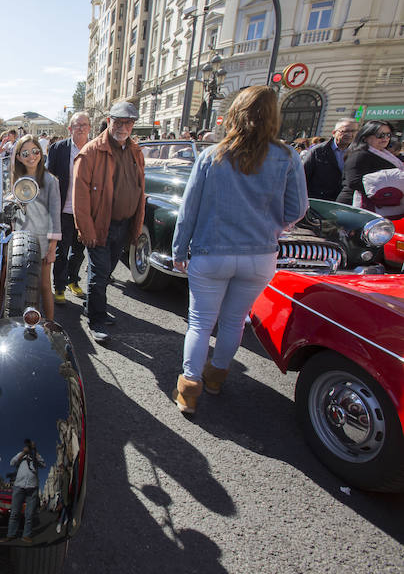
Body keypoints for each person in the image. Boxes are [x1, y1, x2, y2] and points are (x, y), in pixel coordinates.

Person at [171, 86, 308, 414]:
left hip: (211, 252)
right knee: (234, 321)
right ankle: (216, 377)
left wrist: (179, 250)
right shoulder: (288, 157)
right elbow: (298, 208)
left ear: (236, 114)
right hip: (260, 254)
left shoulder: (212, 155)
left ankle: (190, 388)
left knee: (200, 323)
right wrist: (275, 226)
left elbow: (189, 209)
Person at [73, 101, 146, 343]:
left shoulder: (135, 150)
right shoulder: (91, 152)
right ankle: (96, 319)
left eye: (128, 123)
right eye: (118, 121)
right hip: (99, 225)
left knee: (105, 271)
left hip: (123, 225)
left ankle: (93, 306)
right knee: (100, 273)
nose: (122, 127)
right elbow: (80, 198)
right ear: (108, 121)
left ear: (133, 125)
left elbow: (139, 187)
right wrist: (86, 229)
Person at [11, 135, 61, 320]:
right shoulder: (16, 179)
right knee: (22, 284)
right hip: (20, 240)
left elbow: (56, 216)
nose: (31, 156)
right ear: (18, 157)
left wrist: (52, 248)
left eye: (35, 151)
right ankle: (28, 322)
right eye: (25, 153)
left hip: (42, 241)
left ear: (41, 153)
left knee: (44, 285)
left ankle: (49, 324)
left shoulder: (50, 181)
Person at [48, 111, 91, 305]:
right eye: (77, 125)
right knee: (61, 252)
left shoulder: (94, 149)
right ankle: (58, 287)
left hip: (85, 213)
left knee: (79, 251)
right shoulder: (58, 148)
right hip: (63, 211)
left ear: (89, 128)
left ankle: (73, 281)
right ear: (70, 128)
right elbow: (49, 176)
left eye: (84, 125)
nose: (80, 128)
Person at [337, 120, 402, 205]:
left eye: (388, 135)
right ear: (365, 137)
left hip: (379, 203)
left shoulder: (386, 154)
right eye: (380, 135)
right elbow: (354, 182)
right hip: (355, 205)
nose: (385, 138)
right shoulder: (359, 154)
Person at [302, 119, 357, 201]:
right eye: (345, 131)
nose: (349, 134)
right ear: (334, 133)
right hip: (318, 201)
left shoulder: (358, 152)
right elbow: (302, 176)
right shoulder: (318, 151)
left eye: (353, 131)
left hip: (344, 203)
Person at [6, 439, 45, 541]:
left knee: (29, 513)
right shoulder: (21, 454)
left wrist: (35, 451)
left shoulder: (36, 455)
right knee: (14, 512)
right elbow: (12, 463)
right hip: (19, 485)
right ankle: (10, 535)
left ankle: (26, 535)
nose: (29, 447)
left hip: (33, 486)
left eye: (30, 445)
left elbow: (43, 465)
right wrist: (23, 452)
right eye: (29, 445)